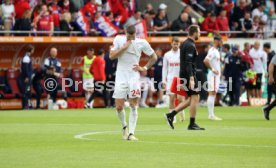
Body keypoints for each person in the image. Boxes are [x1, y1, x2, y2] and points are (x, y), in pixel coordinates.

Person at [109, 25, 157, 141]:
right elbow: (111, 56)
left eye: (133, 36)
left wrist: (144, 68)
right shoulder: (118, 39)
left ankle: (131, 133)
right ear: (125, 33)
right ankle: (124, 126)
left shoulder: (142, 42)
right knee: (119, 107)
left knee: (133, 105)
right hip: (120, 75)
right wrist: (124, 48)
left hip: (133, 76)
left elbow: (154, 57)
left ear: (136, 34)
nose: (131, 39)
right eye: (129, 37)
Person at [165, 25, 205, 130]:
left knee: (193, 98)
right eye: (199, 32)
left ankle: (171, 114)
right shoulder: (190, 45)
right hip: (188, 75)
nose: (200, 34)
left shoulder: (185, 43)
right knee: (195, 97)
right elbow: (188, 63)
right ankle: (191, 124)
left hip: (184, 74)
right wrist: (191, 78)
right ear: (194, 33)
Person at [162, 37, 185, 122]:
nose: (175, 45)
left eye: (177, 44)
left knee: (180, 99)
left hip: (180, 79)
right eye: (174, 44)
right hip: (171, 79)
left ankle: (181, 112)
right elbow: (164, 69)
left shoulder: (182, 54)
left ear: (179, 44)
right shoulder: (167, 55)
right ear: (171, 44)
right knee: (171, 98)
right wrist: (164, 80)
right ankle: (172, 117)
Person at [203, 36, 223, 120]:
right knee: (212, 93)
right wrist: (213, 69)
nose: (222, 42)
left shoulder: (217, 51)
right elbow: (206, 60)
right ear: (216, 41)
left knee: (213, 94)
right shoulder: (213, 51)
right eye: (221, 41)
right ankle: (211, 115)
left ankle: (211, 114)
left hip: (216, 76)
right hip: (213, 76)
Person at [21, 45, 34, 110]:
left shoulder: (27, 57)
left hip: (29, 77)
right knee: (26, 92)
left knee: (28, 92)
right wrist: (26, 76)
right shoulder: (26, 58)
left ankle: (27, 105)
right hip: (27, 78)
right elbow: (25, 68)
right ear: (31, 50)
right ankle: (25, 106)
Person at [263, 55, 276, 120]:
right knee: (231, 89)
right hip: (230, 78)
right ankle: (233, 101)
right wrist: (270, 77)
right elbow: (271, 64)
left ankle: (267, 109)